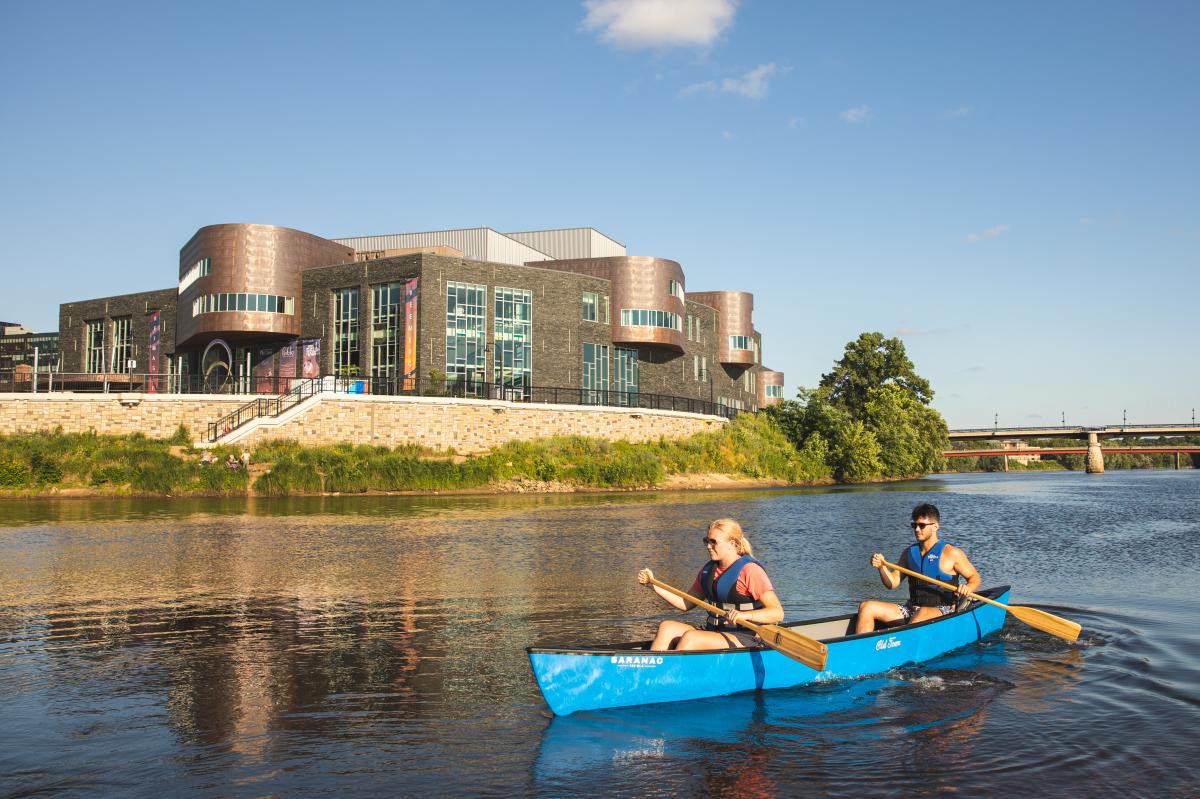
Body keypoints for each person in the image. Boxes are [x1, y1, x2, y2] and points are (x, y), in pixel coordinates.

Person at [637, 518, 784, 651]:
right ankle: (650, 673)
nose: (708, 546)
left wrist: (744, 615)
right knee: (666, 628)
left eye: (713, 542)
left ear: (732, 544)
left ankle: (671, 676)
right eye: (706, 541)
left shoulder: (750, 570)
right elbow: (685, 603)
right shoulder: (708, 571)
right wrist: (652, 585)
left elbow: (777, 613)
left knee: (691, 638)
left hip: (746, 635)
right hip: (714, 631)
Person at [854, 502, 981, 634]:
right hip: (912, 609)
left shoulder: (951, 553)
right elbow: (892, 583)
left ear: (935, 526)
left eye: (922, 525)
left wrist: (968, 587)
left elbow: (975, 578)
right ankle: (860, 648)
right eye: (914, 525)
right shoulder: (908, 553)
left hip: (944, 610)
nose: (917, 529)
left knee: (922, 613)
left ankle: (898, 641)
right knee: (867, 607)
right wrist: (881, 567)